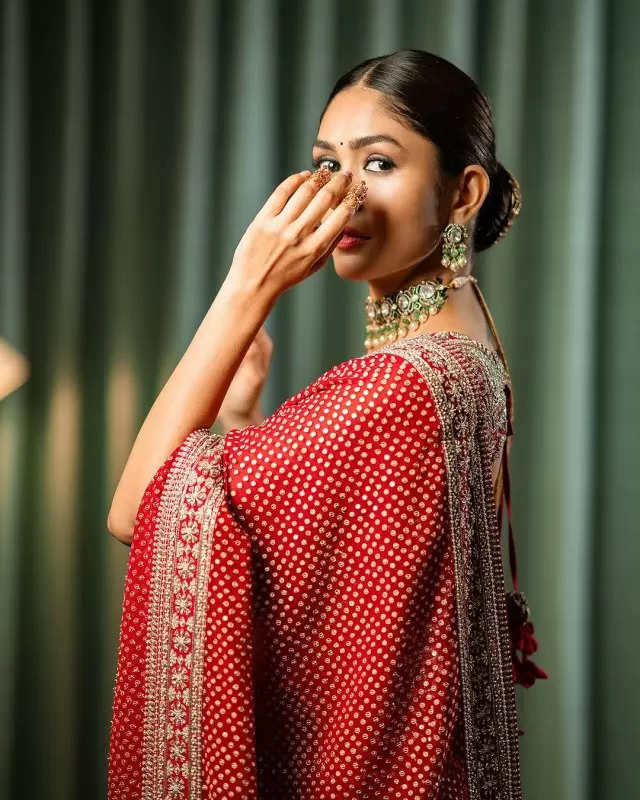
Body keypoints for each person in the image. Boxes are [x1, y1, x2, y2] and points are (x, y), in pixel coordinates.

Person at [107, 49, 546, 800]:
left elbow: (138, 507)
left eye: (378, 164)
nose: (341, 197)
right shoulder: (470, 355)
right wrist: (242, 412)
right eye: (325, 164)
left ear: (464, 192)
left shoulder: (402, 383)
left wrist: (248, 285)